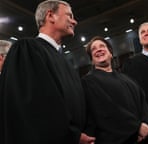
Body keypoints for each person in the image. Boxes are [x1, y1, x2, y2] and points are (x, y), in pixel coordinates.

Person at [0, 1, 95, 144]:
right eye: (69, 15)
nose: (74, 21)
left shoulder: (64, 61)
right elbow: (33, 107)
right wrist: (72, 136)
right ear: (50, 16)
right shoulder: (27, 49)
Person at [81, 36, 148, 144]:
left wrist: (147, 123)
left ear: (111, 53)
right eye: (94, 49)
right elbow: (106, 109)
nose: (98, 49)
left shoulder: (127, 78)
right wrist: (136, 128)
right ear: (92, 60)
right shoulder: (88, 81)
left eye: (102, 46)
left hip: (143, 137)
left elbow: (143, 102)